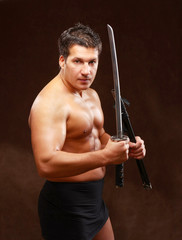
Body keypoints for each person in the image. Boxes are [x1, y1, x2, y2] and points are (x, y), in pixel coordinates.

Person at [29, 23, 146, 240]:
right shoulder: (50, 103)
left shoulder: (90, 94)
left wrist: (123, 146)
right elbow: (45, 163)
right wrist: (105, 156)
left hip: (93, 201)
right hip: (65, 205)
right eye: (78, 61)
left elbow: (97, 134)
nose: (86, 70)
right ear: (62, 61)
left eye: (92, 62)